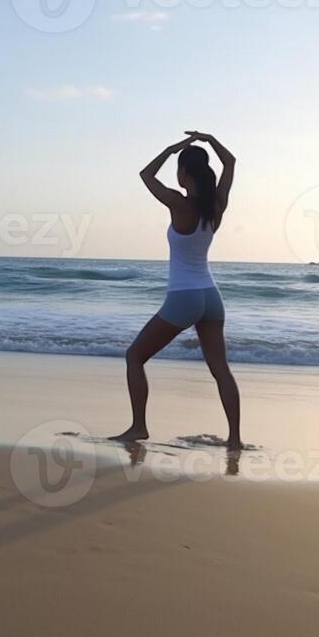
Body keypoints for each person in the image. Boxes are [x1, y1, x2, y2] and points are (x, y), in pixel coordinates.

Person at [110, 131, 242, 448]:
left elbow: (145, 175)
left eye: (178, 169)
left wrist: (171, 149)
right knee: (220, 369)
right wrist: (209, 140)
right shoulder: (217, 205)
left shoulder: (179, 205)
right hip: (211, 296)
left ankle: (139, 427)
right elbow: (231, 161)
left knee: (134, 357)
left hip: (184, 297)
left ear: (184, 174)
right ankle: (235, 439)